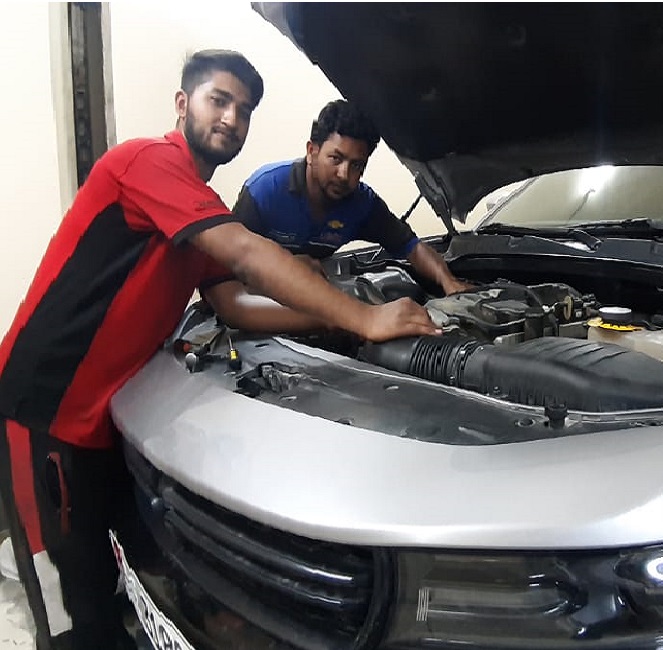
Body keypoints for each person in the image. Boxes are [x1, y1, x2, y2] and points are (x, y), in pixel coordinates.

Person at [0, 50, 437, 650]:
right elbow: (248, 254)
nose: (232, 118)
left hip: (109, 413)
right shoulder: (146, 163)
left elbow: (233, 305)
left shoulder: (195, 205)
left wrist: (337, 324)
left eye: (245, 110)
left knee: (122, 573)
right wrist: (363, 317)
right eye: (219, 100)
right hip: (46, 408)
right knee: (73, 601)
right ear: (183, 104)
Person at [230, 99, 472, 296]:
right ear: (312, 151)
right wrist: (285, 266)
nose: (344, 174)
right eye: (336, 159)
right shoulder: (265, 190)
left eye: (357, 165)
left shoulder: (362, 205)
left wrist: (448, 282)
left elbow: (412, 247)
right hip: (254, 298)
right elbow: (226, 265)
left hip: (311, 296)